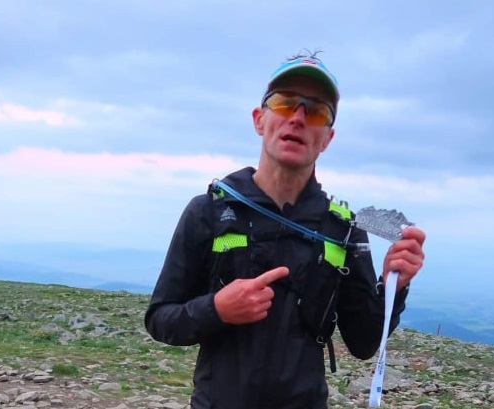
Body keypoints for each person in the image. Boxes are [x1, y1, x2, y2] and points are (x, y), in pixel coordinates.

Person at [144, 50, 426, 409]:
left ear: (327, 138)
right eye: (284, 103)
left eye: (316, 111)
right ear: (259, 119)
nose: (298, 117)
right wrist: (217, 309)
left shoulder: (342, 229)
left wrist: (394, 286)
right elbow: (160, 318)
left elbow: (363, 343)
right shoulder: (209, 212)